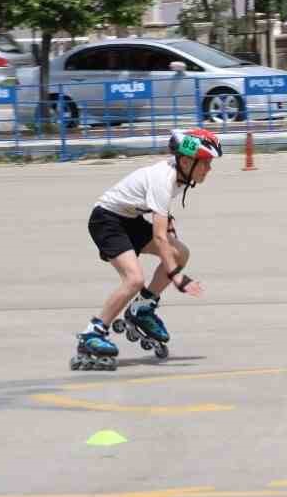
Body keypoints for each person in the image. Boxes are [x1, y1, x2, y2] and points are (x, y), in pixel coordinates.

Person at [71, 128, 221, 371]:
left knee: (181, 252)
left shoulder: (182, 177)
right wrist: (177, 278)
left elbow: (164, 218)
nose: (209, 169)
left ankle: (142, 309)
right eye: (205, 163)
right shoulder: (164, 178)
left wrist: (173, 253)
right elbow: (159, 236)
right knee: (134, 279)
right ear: (185, 161)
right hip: (106, 221)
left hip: (129, 219)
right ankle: (92, 333)